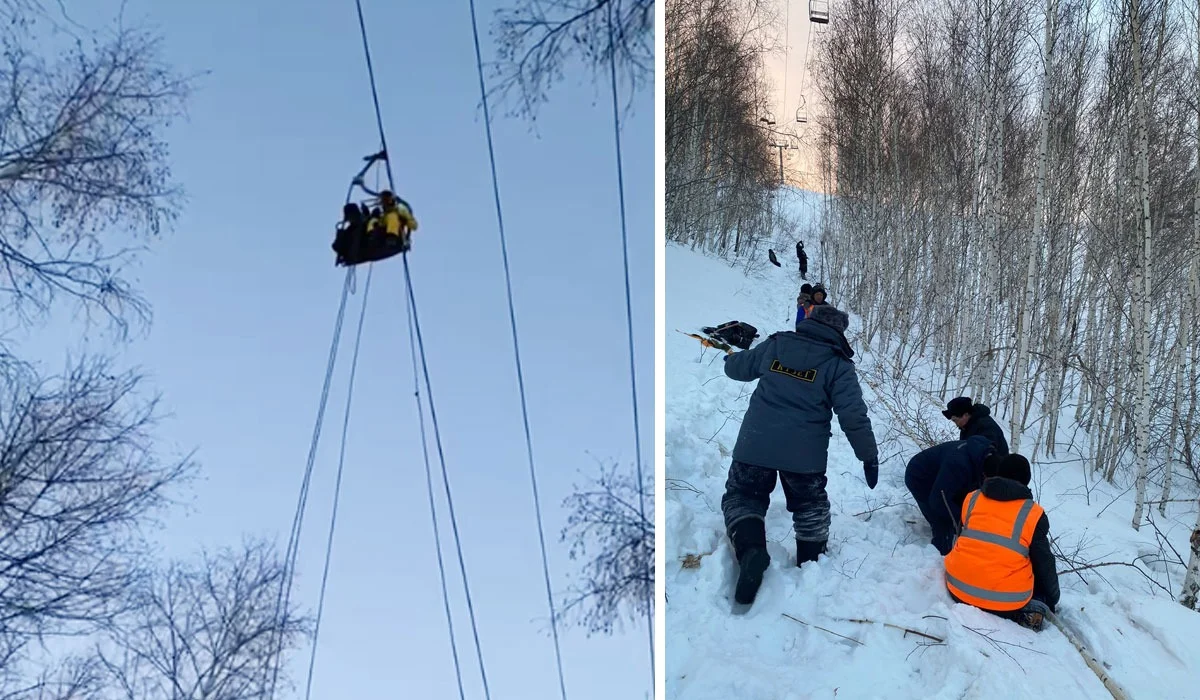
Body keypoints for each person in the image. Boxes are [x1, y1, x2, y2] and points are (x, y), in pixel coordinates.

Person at [720, 304, 878, 605]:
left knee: (743, 496)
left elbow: (738, 369)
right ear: (838, 332)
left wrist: (730, 359)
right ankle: (811, 561)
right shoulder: (838, 364)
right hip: (805, 456)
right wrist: (867, 455)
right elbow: (853, 415)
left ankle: (751, 549)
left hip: (756, 444)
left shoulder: (776, 344)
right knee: (809, 505)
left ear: (810, 321)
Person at [944, 452, 1060, 631]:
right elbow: (1044, 562)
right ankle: (1033, 609)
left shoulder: (972, 498)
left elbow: (962, 538)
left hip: (957, 587)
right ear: (1026, 480)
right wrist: (1051, 598)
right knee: (1033, 568)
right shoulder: (1032, 513)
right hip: (1005, 604)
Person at [904, 435, 995, 555]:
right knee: (942, 518)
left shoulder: (984, 456)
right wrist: (961, 520)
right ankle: (939, 554)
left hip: (943, 474)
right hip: (920, 476)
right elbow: (938, 500)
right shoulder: (959, 464)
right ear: (984, 473)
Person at [943, 397, 1009, 455]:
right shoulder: (967, 426)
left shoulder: (986, 426)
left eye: (955, 420)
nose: (956, 424)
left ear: (966, 415)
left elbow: (985, 455)